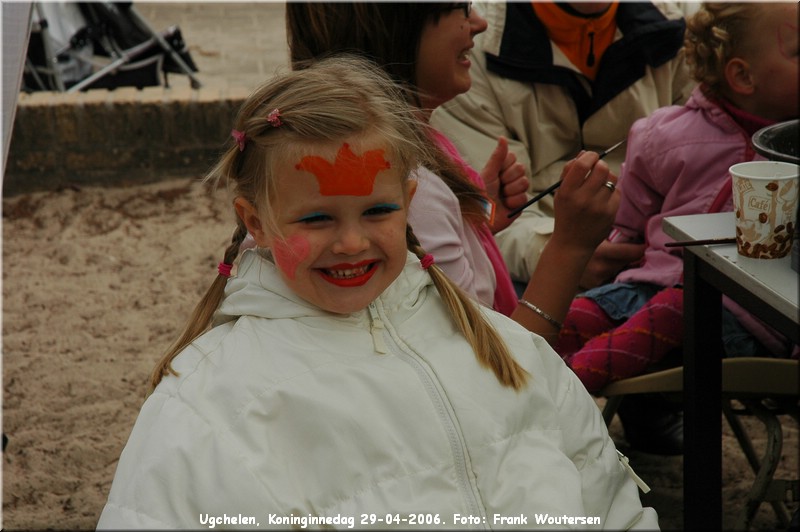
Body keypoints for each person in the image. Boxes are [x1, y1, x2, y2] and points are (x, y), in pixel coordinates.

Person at [96, 56, 658, 529]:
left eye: (378, 210)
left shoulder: (502, 347)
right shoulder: (205, 406)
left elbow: (604, 496)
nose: (351, 241)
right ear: (256, 221)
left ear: (409, 201)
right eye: (316, 218)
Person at [285, 2, 618, 346]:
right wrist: (569, 247)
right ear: (399, 30)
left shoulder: (412, 150)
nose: (478, 23)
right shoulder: (400, 184)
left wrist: (475, 220)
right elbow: (488, 368)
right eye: (460, 8)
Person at [555, 2, 799, 454]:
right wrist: (615, 248)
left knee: (676, 310)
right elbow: (629, 216)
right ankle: (506, 386)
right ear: (743, 76)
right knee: (579, 313)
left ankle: (560, 398)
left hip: (744, 316)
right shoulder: (669, 134)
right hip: (647, 285)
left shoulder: (794, 155)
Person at [431, 1, 695, 285]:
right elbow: (485, 214)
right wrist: (557, 255)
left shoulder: (683, 27)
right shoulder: (468, 52)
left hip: (664, 249)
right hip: (538, 263)